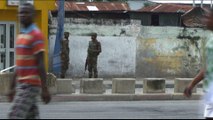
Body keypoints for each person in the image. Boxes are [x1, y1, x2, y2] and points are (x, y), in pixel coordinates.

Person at [7, 3, 51, 119]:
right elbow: (19, 63)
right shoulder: (21, 35)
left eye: (26, 12)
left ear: (33, 15)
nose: (23, 15)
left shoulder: (36, 35)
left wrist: (44, 89)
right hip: (22, 84)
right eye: (21, 12)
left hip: (30, 86)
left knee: (15, 116)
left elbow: (40, 63)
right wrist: (12, 86)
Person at [184, 9, 213, 119]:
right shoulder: (210, 39)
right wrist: (192, 85)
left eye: (209, 17)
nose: (205, 20)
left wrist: (192, 84)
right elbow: (208, 68)